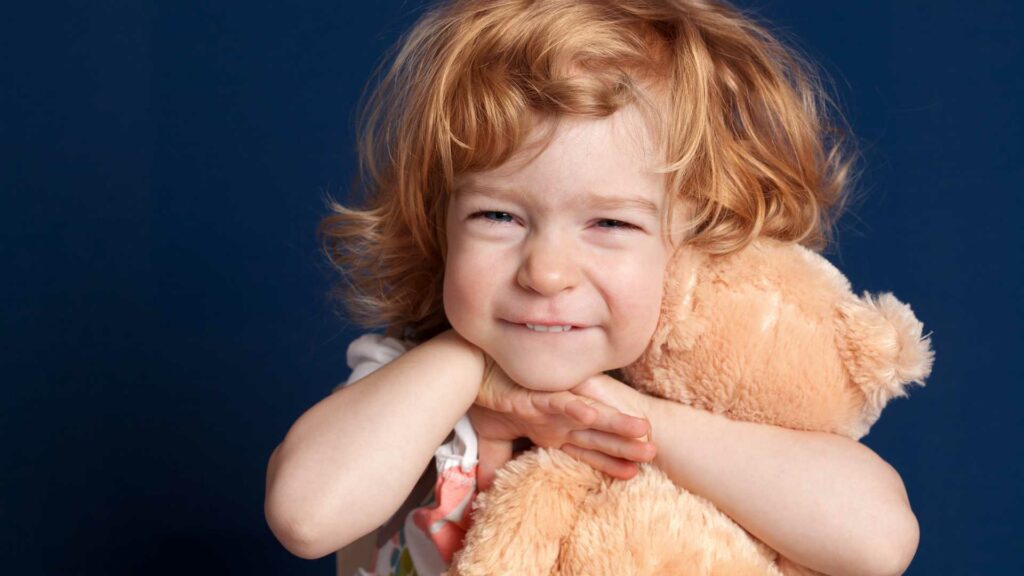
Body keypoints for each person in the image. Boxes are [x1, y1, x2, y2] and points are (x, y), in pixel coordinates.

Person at [265, 1, 920, 575]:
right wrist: (469, 365)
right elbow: (306, 517)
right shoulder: (411, 387)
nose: (546, 273)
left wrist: (631, 418)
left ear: (690, 240)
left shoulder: (710, 406)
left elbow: (880, 542)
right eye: (498, 216)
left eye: (608, 223)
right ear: (439, 223)